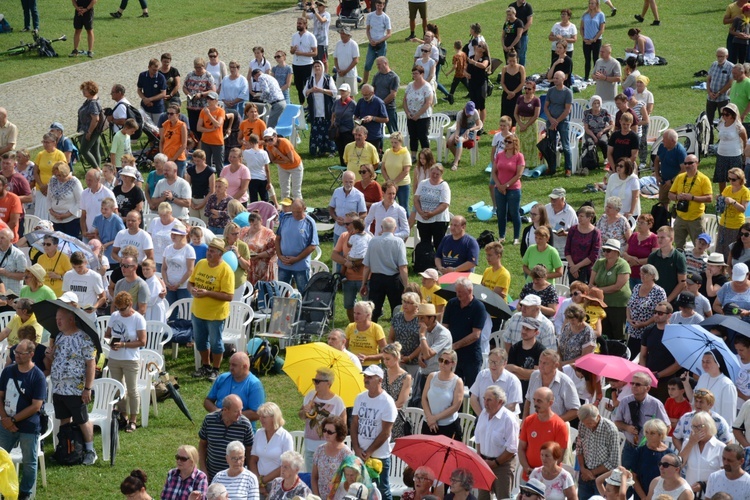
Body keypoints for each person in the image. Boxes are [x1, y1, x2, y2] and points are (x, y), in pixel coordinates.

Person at [47, 307, 97, 465]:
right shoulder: (60, 336)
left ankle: (90, 451)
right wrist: (51, 355)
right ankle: (65, 448)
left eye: (60, 318)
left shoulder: (84, 338)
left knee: (82, 419)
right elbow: (56, 360)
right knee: (63, 419)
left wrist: (87, 388)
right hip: (58, 387)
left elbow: (91, 364)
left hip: (75, 387)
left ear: (71, 319)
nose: (58, 322)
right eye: (56, 319)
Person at [0, 338, 46, 500]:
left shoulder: (38, 377)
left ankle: (25, 494)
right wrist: (5, 418)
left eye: (20, 353)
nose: (16, 355)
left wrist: (12, 420)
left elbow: (36, 406)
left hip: (28, 426)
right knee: (0, 457)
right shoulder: (8, 371)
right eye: (15, 352)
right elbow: (0, 396)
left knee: (29, 463)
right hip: (6, 425)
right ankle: (3, 489)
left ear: (31, 354)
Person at [189, 238, 235, 380]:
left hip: (215, 314)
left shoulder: (226, 270)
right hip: (198, 311)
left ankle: (216, 369)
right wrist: (192, 290)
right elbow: (190, 283)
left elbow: (229, 296)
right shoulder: (201, 263)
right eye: (208, 250)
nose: (208, 253)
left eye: (212, 251)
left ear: (220, 254)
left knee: (216, 343)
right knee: (201, 341)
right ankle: (205, 366)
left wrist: (207, 293)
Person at [351, 365, 397, 500]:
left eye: (370, 377)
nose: (366, 379)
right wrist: (357, 448)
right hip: (360, 453)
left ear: (380, 380)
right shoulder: (360, 398)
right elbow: (354, 424)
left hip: (379, 456)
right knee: (360, 489)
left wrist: (369, 451)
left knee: (382, 491)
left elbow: (386, 432)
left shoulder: (387, 402)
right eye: (365, 376)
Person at [105, 291, 146, 433]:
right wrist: (111, 343)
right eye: (117, 308)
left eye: (123, 308)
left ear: (130, 305)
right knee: (118, 389)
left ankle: (133, 420)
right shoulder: (115, 316)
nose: (120, 311)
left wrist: (123, 345)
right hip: (114, 358)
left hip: (131, 359)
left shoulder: (138, 319)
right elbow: (107, 334)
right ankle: (124, 416)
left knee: (132, 389)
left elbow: (142, 341)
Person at [614, 371, 670, 469]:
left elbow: (667, 426)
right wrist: (627, 427)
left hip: (648, 448)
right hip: (630, 446)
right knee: (625, 476)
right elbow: (617, 421)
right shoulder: (625, 401)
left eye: (638, 384)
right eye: (632, 383)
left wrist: (654, 441)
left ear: (647, 388)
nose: (634, 386)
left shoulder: (656, 404)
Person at [472, 385, 519, 499]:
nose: (485, 403)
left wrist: (495, 463)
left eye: (489, 400)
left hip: (502, 465)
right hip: (484, 463)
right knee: (482, 497)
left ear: (500, 402)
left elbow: (512, 448)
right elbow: (478, 437)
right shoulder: (483, 414)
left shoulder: (509, 419)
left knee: (503, 497)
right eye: (484, 399)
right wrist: (479, 458)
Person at [360, 217, 408, 322]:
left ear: (381, 228)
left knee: (373, 311)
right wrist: (406, 285)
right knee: (397, 310)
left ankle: (371, 333)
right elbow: (402, 266)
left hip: (376, 279)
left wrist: (364, 283)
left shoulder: (373, 241)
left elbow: (367, 266)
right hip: (393, 279)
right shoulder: (398, 242)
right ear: (395, 228)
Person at [298, 366, 346, 470]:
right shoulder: (310, 395)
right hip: (310, 446)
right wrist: (304, 411)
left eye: (317, 381)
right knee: (311, 478)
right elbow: (300, 416)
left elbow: (343, 427)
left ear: (328, 383)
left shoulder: (337, 402)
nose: (315, 383)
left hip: (328, 449)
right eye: (314, 380)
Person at [199, 395, 255, 482]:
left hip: (235, 479)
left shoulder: (245, 425)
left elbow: (249, 451)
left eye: (241, 409)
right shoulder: (209, 420)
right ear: (225, 410)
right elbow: (202, 445)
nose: (240, 414)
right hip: (212, 477)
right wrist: (203, 469)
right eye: (236, 411)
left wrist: (250, 476)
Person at [519, 387, 569, 480]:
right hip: (528, 476)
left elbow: (559, 457)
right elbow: (521, 448)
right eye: (534, 400)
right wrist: (527, 468)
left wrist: (541, 473)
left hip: (549, 478)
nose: (535, 404)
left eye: (539, 401)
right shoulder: (528, 421)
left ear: (550, 403)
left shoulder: (559, 425)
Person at [204, 352, 265, 428]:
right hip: (217, 427)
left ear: (245, 367)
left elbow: (257, 413)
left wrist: (231, 416)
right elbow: (207, 401)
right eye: (230, 364)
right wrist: (218, 412)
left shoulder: (254, 385)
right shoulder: (222, 378)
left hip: (241, 430)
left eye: (234, 365)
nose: (230, 368)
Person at [575, 404, 621, 498]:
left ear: (598, 417)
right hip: (585, 473)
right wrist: (583, 469)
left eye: (590, 423)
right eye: (585, 423)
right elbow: (579, 448)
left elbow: (614, 462)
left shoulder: (610, 430)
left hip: (603, 477)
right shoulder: (582, 425)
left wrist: (591, 473)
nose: (588, 426)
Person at [668, 154, 713, 249]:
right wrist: (677, 197)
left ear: (697, 164)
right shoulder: (680, 177)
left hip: (696, 219)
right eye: (685, 163)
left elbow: (709, 198)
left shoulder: (704, 179)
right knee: (679, 246)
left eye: (690, 163)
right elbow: (670, 194)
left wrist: (692, 198)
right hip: (680, 217)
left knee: (700, 247)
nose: (687, 165)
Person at [250, 402, 294, 497]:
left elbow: (286, 465)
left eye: (264, 417)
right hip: (258, 483)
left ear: (274, 418)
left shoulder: (286, 437)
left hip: (278, 484)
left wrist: (263, 481)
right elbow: (253, 459)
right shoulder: (259, 433)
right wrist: (257, 480)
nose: (260, 419)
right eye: (260, 416)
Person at [590, 238, 631, 339]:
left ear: (617, 252)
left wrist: (598, 290)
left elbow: (617, 287)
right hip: (601, 303)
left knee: (618, 332)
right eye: (604, 250)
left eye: (608, 250)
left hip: (618, 304)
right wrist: (594, 289)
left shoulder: (623, 265)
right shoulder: (599, 262)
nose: (605, 252)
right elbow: (591, 283)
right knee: (603, 331)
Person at [523, 349, 580, 421]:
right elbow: (528, 400)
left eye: (545, 363)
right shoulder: (534, 375)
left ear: (556, 365)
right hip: (533, 426)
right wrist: (525, 419)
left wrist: (554, 423)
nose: (541, 366)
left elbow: (575, 410)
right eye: (540, 362)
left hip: (555, 429)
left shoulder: (566, 382)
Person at [276, 198, 318, 293]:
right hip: (283, 264)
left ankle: (303, 308)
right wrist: (279, 256)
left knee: (304, 292)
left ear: (304, 208)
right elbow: (277, 238)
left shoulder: (309, 222)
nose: (295, 215)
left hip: (300, 266)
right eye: (293, 211)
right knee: (281, 292)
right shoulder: (285, 218)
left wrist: (297, 259)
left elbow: (313, 245)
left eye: (298, 212)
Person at [679, 411, 727, 494]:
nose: (696, 430)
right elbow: (679, 464)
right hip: (690, 493)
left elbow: (724, 474)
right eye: (694, 427)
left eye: (700, 426)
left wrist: (703, 484)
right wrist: (690, 443)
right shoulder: (688, 443)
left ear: (709, 426)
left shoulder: (720, 447)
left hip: (711, 493)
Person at [421, 348, 463, 439]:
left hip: (448, 425)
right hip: (428, 423)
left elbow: (456, 406)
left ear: (453, 363)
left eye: (446, 362)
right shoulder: (431, 376)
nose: (442, 364)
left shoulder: (457, 381)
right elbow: (424, 398)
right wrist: (429, 418)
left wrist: (435, 418)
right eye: (440, 360)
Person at [414, 163, 451, 251]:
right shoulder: (423, 183)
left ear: (441, 174)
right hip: (423, 219)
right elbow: (416, 199)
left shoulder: (444, 186)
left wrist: (432, 214)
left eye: (437, 174)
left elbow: (445, 204)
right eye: (433, 173)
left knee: (439, 244)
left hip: (439, 220)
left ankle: (438, 263)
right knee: (424, 243)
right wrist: (421, 213)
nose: (434, 175)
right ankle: (426, 262)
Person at [304, 60, 338, 157]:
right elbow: (305, 93)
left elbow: (334, 92)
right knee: (316, 130)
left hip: (326, 108)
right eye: (315, 67)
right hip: (315, 109)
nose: (317, 68)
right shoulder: (310, 80)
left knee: (328, 129)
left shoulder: (327, 78)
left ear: (322, 68)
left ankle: (331, 150)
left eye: (319, 66)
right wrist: (311, 90)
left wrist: (321, 90)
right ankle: (319, 150)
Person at [63, 251, 106, 322]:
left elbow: (103, 297)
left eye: (80, 267)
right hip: (73, 316)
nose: (77, 270)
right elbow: (65, 295)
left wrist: (94, 307)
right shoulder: (68, 275)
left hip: (89, 318)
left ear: (86, 262)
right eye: (74, 267)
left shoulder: (94, 276)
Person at [564, 206, 601, 284]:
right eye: (578, 216)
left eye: (582, 216)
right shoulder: (573, 229)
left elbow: (594, 255)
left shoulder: (595, 233)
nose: (579, 218)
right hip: (572, 268)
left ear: (589, 218)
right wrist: (572, 266)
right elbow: (567, 249)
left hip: (587, 270)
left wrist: (577, 267)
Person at [403, 66, 434, 160]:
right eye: (413, 73)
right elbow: (404, 100)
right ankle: (413, 155)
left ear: (422, 74)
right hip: (411, 116)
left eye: (416, 73)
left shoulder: (427, 86)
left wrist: (418, 115)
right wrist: (407, 112)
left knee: (423, 136)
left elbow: (428, 102)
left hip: (423, 116)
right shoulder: (410, 85)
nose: (414, 75)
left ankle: (427, 156)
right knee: (413, 136)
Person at [264, 128, 304, 200]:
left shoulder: (285, 143)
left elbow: (291, 160)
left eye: (270, 139)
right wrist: (285, 161)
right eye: (266, 140)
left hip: (295, 166)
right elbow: (272, 160)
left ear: (275, 136)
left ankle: (299, 209)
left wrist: (278, 153)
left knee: (296, 191)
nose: (268, 142)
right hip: (283, 168)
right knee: (284, 191)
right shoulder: (269, 146)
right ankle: (286, 209)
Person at [240, 211, 277, 286]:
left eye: (256, 224)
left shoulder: (268, 233)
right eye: (251, 224)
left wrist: (259, 255)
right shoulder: (244, 231)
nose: (253, 227)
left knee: (261, 289)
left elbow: (273, 249)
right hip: (247, 265)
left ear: (261, 221)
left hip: (262, 266)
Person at [706, 49, 734, 143]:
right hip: (711, 98)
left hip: (723, 99)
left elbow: (730, 83)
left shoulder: (731, 67)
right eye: (718, 56)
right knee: (708, 121)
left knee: (724, 121)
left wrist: (719, 93)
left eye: (721, 56)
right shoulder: (714, 64)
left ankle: (722, 142)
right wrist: (709, 92)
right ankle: (709, 142)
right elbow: (709, 79)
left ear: (727, 56)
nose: (719, 58)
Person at [361, 1, 391, 86]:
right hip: (372, 44)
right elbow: (367, 30)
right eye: (378, 5)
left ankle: (382, 83)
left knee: (382, 65)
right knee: (367, 64)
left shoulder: (386, 18)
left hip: (381, 45)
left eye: (380, 5)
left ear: (383, 6)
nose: (379, 7)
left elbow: (389, 33)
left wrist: (379, 41)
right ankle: (365, 82)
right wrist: (370, 39)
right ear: (375, 5)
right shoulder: (370, 16)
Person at [77, 80, 103, 169]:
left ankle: (97, 170)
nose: (83, 91)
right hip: (93, 130)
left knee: (84, 150)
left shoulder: (93, 103)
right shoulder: (90, 101)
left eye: (86, 90)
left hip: (91, 130)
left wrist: (89, 132)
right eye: (83, 90)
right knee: (95, 151)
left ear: (91, 90)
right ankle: (98, 170)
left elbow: (95, 119)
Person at [355, 85, 389, 153]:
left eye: (366, 95)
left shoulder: (379, 102)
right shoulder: (361, 101)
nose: (365, 97)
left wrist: (372, 118)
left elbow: (386, 119)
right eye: (363, 94)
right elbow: (356, 116)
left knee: (375, 158)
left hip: (374, 135)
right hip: (362, 135)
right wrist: (358, 123)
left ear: (372, 93)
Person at [334, 27, 360, 96]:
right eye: (341, 33)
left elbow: (356, 60)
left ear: (348, 35)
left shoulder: (353, 44)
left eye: (343, 34)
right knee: (339, 94)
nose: (341, 35)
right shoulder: (338, 44)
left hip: (350, 74)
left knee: (350, 94)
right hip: (340, 74)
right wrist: (338, 70)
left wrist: (345, 71)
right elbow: (335, 58)